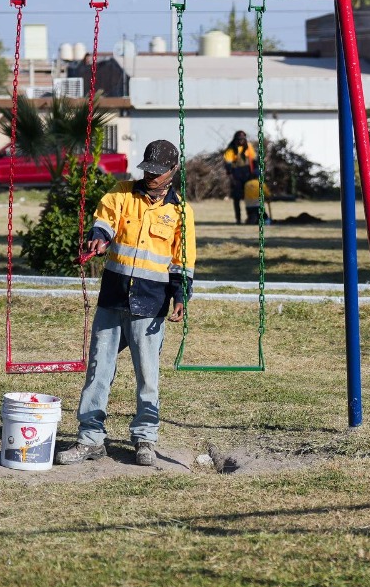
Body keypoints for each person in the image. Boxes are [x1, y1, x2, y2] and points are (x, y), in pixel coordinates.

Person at [57, 139, 195, 467]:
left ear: (173, 171)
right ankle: (90, 439)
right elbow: (105, 220)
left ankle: (145, 439)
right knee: (97, 370)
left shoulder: (180, 211)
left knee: (147, 375)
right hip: (113, 297)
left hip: (151, 303)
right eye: (148, 170)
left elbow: (183, 259)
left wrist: (180, 295)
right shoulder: (121, 193)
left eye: (159, 173)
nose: (151, 177)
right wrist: (99, 238)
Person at [222, 130, 257, 225]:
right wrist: (231, 176)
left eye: (243, 139)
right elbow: (228, 164)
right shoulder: (231, 149)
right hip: (236, 175)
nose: (241, 141)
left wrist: (255, 172)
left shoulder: (248, 146)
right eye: (239, 139)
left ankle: (251, 217)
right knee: (237, 199)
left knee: (250, 197)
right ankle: (238, 219)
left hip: (248, 174)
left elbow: (253, 160)